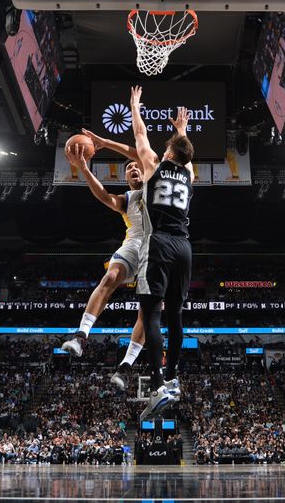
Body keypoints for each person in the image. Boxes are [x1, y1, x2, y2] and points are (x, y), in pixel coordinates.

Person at [104, 85, 194, 421]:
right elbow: (186, 152)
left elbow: (140, 134)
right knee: (176, 316)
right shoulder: (188, 173)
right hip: (185, 246)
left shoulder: (154, 166)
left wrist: (135, 106)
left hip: (159, 245)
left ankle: (158, 382)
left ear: (168, 152)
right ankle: (173, 378)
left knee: (151, 313)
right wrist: (181, 132)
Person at [59, 144, 148, 389]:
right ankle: (80, 336)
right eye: (128, 168)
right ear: (126, 178)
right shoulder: (126, 198)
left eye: (136, 166)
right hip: (132, 244)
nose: (132, 168)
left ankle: (126, 366)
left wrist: (104, 141)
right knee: (110, 278)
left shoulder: (158, 187)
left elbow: (141, 152)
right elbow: (103, 196)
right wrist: (84, 169)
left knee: (147, 310)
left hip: (158, 250)